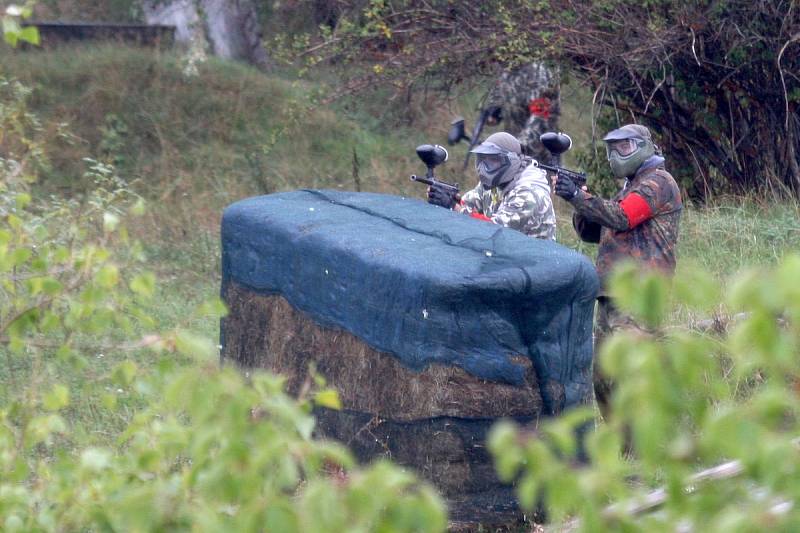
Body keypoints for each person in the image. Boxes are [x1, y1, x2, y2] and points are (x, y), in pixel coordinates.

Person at [553, 124, 682, 419]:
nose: (616, 155)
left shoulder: (658, 182)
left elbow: (623, 217)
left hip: (640, 292)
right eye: (612, 149)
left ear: (645, 146)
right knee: (604, 378)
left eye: (624, 147)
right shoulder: (629, 187)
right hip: (611, 294)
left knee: (633, 375)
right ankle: (623, 449)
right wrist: (579, 200)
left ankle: (648, 446)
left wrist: (578, 197)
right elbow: (593, 233)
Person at [427, 131, 556, 240]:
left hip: (535, 264)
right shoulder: (495, 182)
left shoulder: (528, 193)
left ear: (510, 162)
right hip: (508, 253)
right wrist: (448, 198)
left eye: (492, 161)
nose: (484, 168)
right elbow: (468, 206)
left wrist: (453, 207)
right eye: (483, 160)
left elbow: (494, 230)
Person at [483, 62, 560, 164]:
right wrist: (493, 114)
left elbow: (540, 116)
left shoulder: (537, 72)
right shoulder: (507, 69)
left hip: (540, 155)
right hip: (515, 154)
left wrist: (518, 145)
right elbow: (499, 97)